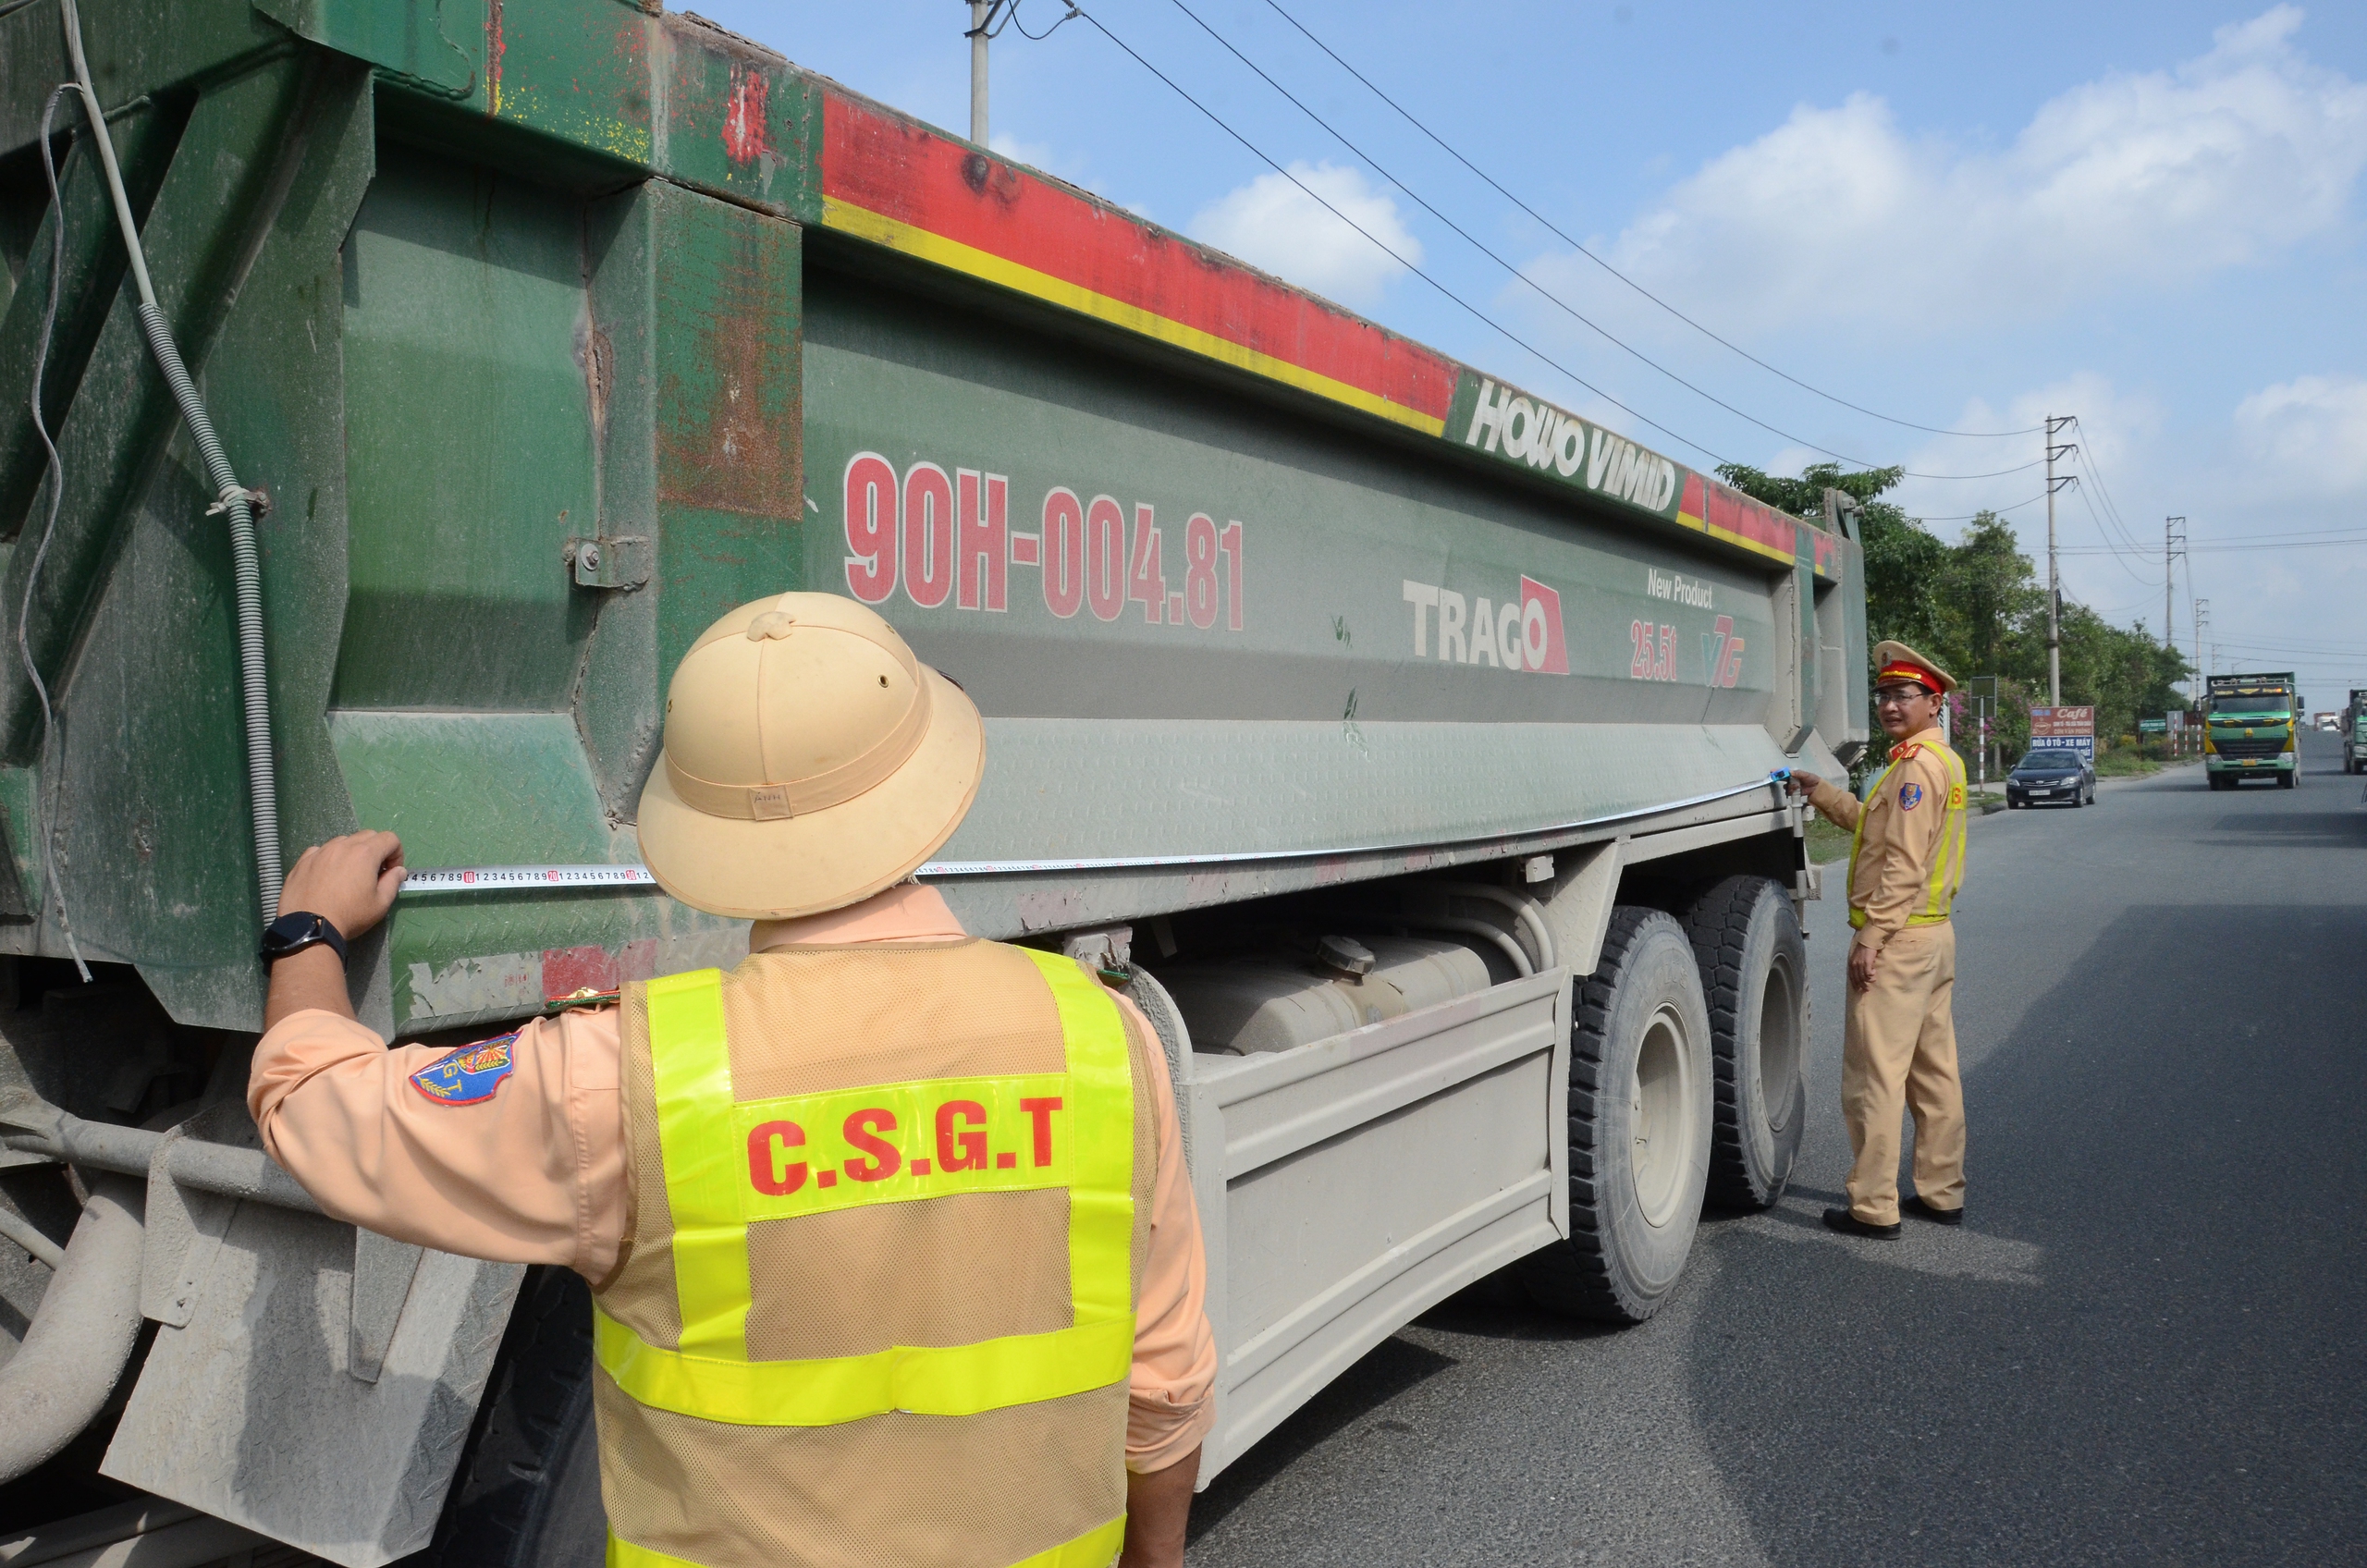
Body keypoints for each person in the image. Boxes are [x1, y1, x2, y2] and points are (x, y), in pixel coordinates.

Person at [249, 593, 1216, 1568]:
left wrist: (307, 933)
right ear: (925, 785)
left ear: (701, 821)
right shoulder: (1106, 1041)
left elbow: (315, 1108)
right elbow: (1165, 1379)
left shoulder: (627, 1078)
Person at [1783, 640, 1969, 1241]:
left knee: (1875, 1079)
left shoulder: (1914, 768)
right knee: (1933, 1073)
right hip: (1933, 936)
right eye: (1884, 694)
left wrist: (1873, 935)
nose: (1890, 704)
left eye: (1904, 695)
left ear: (1933, 702)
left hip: (1899, 940)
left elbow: (1904, 862)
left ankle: (1873, 1207)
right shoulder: (1942, 761)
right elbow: (1878, 827)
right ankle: (1941, 1192)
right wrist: (1823, 793)